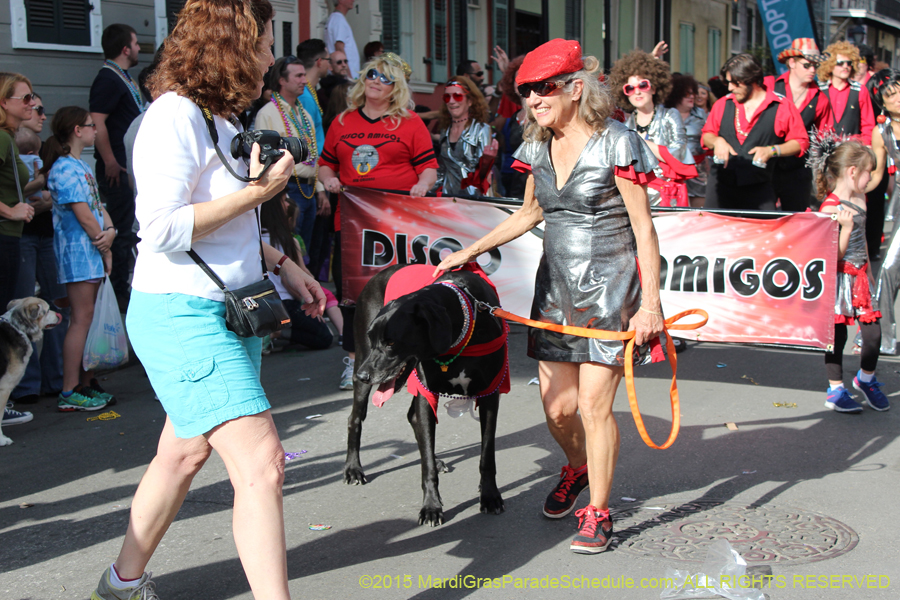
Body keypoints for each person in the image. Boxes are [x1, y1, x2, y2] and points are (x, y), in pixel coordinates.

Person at [90, 1, 325, 598]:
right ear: (234, 45)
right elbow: (163, 227)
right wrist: (259, 194)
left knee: (181, 456)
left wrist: (285, 264)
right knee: (263, 466)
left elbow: (227, 227)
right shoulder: (174, 115)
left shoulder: (218, 120)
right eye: (267, 42)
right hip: (182, 316)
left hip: (222, 311)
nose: (273, 57)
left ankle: (120, 584)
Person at [435, 38, 664, 555]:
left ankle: (599, 512)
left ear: (575, 88)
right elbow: (527, 214)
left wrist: (650, 304)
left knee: (591, 405)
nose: (533, 101)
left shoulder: (617, 142)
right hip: (555, 289)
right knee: (557, 409)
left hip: (611, 288)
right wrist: (466, 251)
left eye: (544, 90)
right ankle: (578, 467)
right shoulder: (535, 145)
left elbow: (644, 229)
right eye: (526, 93)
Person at [319, 52, 438, 390]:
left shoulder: (409, 122)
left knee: (400, 291)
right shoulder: (343, 121)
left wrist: (422, 185)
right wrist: (327, 180)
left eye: (385, 77)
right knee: (353, 294)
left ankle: (407, 359)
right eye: (372, 74)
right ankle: (354, 360)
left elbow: (428, 167)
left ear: (395, 86)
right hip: (353, 224)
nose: (376, 80)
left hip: (397, 224)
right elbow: (326, 163)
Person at [43, 107, 115, 412]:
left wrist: (110, 231)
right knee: (82, 319)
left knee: (89, 318)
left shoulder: (77, 165)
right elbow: (85, 216)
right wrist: (105, 245)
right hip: (79, 253)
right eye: (90, 125)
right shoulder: (65, 169)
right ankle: (70, 389)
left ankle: (85, 382)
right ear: (76, 130)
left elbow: (97, 208)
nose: (95, 130)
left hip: (90, 252)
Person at [814, 139, 890, 413]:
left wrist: (870, 271)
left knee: (872, 334)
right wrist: (844, 227)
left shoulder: (860, 197)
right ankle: (835, 390)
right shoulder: (830, 208)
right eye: (869, 171)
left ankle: (866, 379)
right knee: (837, 336)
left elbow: (865, 244)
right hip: (838, 278)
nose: (871, 177)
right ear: (853, 171)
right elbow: (831, 255)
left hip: (859, 277)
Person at [702, 54, 809, 211]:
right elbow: (706, 135)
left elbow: (800, 142)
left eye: (734, 83)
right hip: (720, 187)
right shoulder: (723, 104)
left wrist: (773, 150)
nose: (730, 88)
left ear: (751, 80)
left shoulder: (781, 106)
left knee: (763, 232)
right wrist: (717, 141)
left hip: (760, 187)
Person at [90, 23, 145, 312]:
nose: (138, 49)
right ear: (125, 49)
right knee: (121, 234)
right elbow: (97, 121)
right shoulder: (108, 78)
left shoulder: (123, 77)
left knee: (127, 232)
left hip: (127, 169)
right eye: (135, 44)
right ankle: (119, 298)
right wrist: (110, 160)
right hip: (117, 171)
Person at [253, 55, 325, 249]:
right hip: (287, 189)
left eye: (304, 75)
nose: (304, 80)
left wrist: (320, 189)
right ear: (282, 80)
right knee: (291, 247)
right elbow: (263, 158)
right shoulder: (268, 113)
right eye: (298, 76)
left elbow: (312, 154)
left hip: (308, 189)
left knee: (306, 248)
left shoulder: (305, 114)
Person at [611, 50, 695, 207]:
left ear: (654, 88)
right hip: (637, 195)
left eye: (643, 85)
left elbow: (679, 151)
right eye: (630, 88)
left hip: (668, 196)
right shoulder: (626, 124)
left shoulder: (670, 115)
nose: (637, 91)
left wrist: (643, 143)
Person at [260, 191, 340, 350]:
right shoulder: (286, 242)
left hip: (266, 303)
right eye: (284, 200)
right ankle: (277, 333)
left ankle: (276, 332)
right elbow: (292, 276)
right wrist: (307, 299)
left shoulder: (258, 238)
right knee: (325, 337)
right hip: (285, 303)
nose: (288, 203)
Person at [768, 38, 832, 212]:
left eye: (815, 66)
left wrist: (821, 173)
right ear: (792, 63)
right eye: (807, 65)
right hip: (765, 166)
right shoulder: (769, 85)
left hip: (798, 170)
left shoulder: (821, 98)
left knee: (797, 220)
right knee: (761, 219)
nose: (812, 70)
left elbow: (823, 140)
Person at [867, 69, 900, 354]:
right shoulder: (881, 132)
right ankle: (881, 338)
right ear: (882, 102)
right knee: (889, 267)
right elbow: (877, 175)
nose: (899, 98)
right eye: (891, 94)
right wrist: (851, 190)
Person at [0, 73, 39, 314]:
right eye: (25, 98)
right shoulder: (2, 138)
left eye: (31, 97)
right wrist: (11, 211)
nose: (32, 103)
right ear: (4, 102)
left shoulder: (9, 138)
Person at [433, 77, 497, 197]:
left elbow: (483, 175)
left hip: (474, 199)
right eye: (447, 97)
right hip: (449, 199)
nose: (451, 101)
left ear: (470, 101)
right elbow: (441, 170)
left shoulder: (481, 129)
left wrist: (487, 161)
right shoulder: (445, 131)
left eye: (457, 96)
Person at [818, 42, 875, 142]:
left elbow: (868, 126)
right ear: (830, 65)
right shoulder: (819, 89)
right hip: (822, 148)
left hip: (851, 150)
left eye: (849, 63)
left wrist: (865, 145)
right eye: (840, 63)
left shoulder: (860, 90)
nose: (846, 66)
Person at [666, 74, 708, 207]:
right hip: (672, 170)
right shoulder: (665, 114)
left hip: (698, 169)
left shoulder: (700, 114)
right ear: (676, 94)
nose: (692, 97)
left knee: (699, 212)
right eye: (687, 94)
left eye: (693, 93)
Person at [497, 55, 528, 199]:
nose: (519, 82)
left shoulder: (543, 114)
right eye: (516, 78)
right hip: (514, 186)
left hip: (538, 188)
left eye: (524, 76)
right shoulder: (514, 117)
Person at [324, 0, 360, 78]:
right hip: (344, 77)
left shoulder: (335, 18)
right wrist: (348, 76)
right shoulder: (338, 20)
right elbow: (339, 47)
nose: (353, 0)